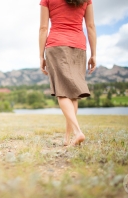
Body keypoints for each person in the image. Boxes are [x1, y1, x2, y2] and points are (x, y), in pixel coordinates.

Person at [39, 0, 96, 146]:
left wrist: (41, 56)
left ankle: (77, 132)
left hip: (56, 45)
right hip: (79, 46)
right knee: (73, 94)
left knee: (62, 92)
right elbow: (90, 26)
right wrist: (94, 54)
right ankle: (67, 139)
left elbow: (43, 28)